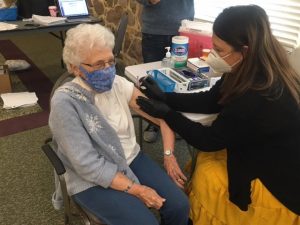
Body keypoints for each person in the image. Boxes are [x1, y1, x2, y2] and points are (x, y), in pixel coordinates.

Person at [136, 5, 300, 225]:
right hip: (258, 147)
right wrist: (166, 96)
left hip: (276, 176)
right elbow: (211, 100)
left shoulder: (259, 93)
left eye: (220, 50)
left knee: (207, 176)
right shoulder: (244, 68)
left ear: (245, 50)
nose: (213, 55)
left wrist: (168, 115)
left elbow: (209, 140)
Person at [49, 23, 190, 225]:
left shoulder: (118, 84)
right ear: (74, 68)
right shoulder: (65, 103)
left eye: (110, 61)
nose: (107, 69)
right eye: (98, 64)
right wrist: (137, 190)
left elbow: (161, 116)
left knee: (180, 206)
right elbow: (86, 164)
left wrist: (168, 155)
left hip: (130, 158)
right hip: (90, 176)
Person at [137, 0, 194, 143]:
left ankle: (178, 120)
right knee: (152, 80)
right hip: (154, 31)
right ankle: (154, 122)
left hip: (184, 28)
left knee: (182, 77)